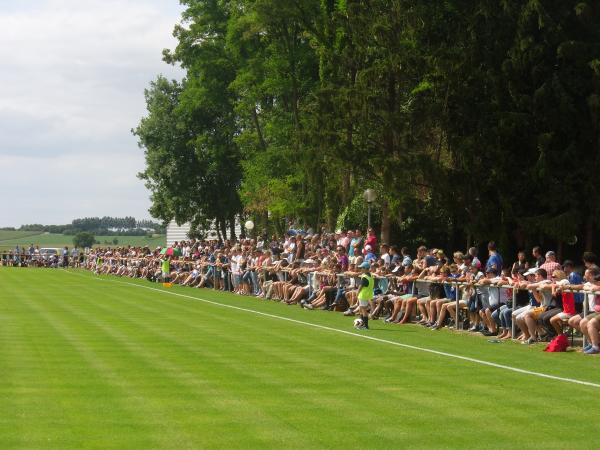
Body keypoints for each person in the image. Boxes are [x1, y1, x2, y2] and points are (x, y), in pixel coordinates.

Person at [355, 261, 374, 330]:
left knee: (363, 310)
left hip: (363, 295)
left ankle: (365, 326)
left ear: (366, 268)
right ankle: (362, 323)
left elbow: (361, 286)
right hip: (368, 294)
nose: (361, 269)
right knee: (362, 309)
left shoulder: (365, 277)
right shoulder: (370, 276)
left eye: (362, 268)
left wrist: (357, 293)